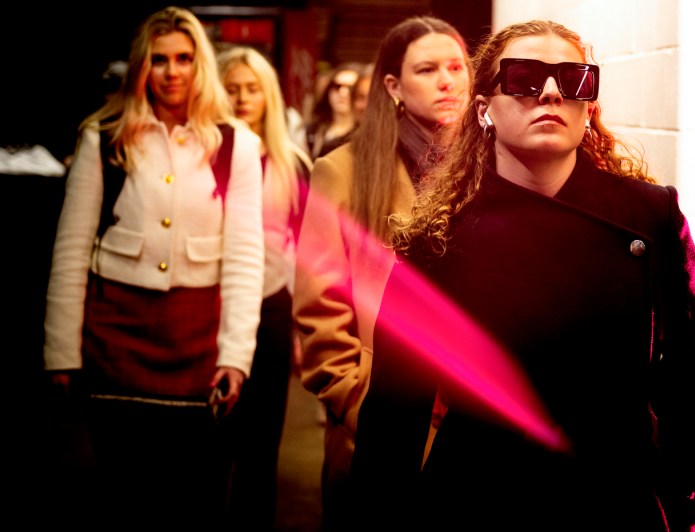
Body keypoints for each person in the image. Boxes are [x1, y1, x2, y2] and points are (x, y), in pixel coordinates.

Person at [350, 19, 695, 531]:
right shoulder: (438, 241)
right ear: (484, 110)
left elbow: (694, 371)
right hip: (478, 501)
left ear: (588, 107)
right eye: (524, 77)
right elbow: (395, 411)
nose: (550, 91)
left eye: (573, 79)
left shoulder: (649, 216)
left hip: (615, 500)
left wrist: (686, 499)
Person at [42, 6, 264, 527]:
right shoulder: (103, 136)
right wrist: (60, 354)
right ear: (143, 65)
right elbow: (71, 251)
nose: (172, 71)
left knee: (193, 495)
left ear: (200, 65)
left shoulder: (236, 143)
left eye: (184, 58)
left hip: (197, 340)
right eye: (159, 59)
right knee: (123, 493)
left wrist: (236, 356)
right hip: (114, 337)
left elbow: (245, 256)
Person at [292, 15, 470, 530]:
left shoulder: (491, 167)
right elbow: (320, 311)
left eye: (457, 66)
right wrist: (364, 407)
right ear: (392, 85)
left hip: (473, 434)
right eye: (428, 69)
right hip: (376, 423)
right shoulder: (343, 171)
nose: (447, 81)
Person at [217, 44, 312, 528]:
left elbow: (303, 247)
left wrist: (299, 327)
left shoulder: (291, 162)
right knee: (213, 437)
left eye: (252, 89)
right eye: (232, 88)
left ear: (268, 96)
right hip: (214, 305)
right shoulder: (207, 154)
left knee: (262, 438)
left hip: (274, 305)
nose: (241, 97)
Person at [305, 62, 363, 159]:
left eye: (351, 88)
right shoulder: (311, 131)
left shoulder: (364, 136)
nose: (343, 92)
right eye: (337, 86)